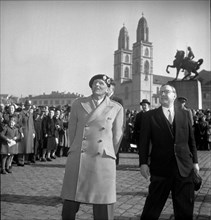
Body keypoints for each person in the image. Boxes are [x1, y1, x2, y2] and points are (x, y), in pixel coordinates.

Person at [61, 74, 124, 220]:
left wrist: (109, 152)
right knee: (71, 198)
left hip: (102, 157)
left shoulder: (116, 108)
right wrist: (75, 147)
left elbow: (117, 134)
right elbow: (72, 129)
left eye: (101, 83)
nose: (97, 85)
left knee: (104, 200)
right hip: (80, 154)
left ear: (108, 89)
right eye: (95, 83)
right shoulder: (78, 103)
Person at [139, 84, 199, 220]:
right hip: (160, 169)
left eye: (166, 92)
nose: (163, 95)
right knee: (151, 209)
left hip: (184, 168)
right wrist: (143, 163)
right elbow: (143, 142)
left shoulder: (185, 114)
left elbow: (191, 140)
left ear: (174, 95)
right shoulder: (149, 116)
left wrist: (195, 162)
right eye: (161, 93)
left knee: (185, 210)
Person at [107, 78, 124, 165]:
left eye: (108, 88)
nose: (106, 90)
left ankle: (114, 162)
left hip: (114, 126)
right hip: (105, 127)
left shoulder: (118, 100)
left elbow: (121, 116)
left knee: (114, 144)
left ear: (112, 89)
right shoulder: (102, 99)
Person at [133, 99, 150, 167]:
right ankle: (142, 163)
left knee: (149, 150)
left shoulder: (152, 114)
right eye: (142, 105)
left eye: (145, 105)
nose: (144, 106)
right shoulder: (139, 115)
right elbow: (136, 126)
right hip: (141, 136)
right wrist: (134, 136)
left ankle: (149, 163)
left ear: (148, 105)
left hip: (149, 136)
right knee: (141, 151)